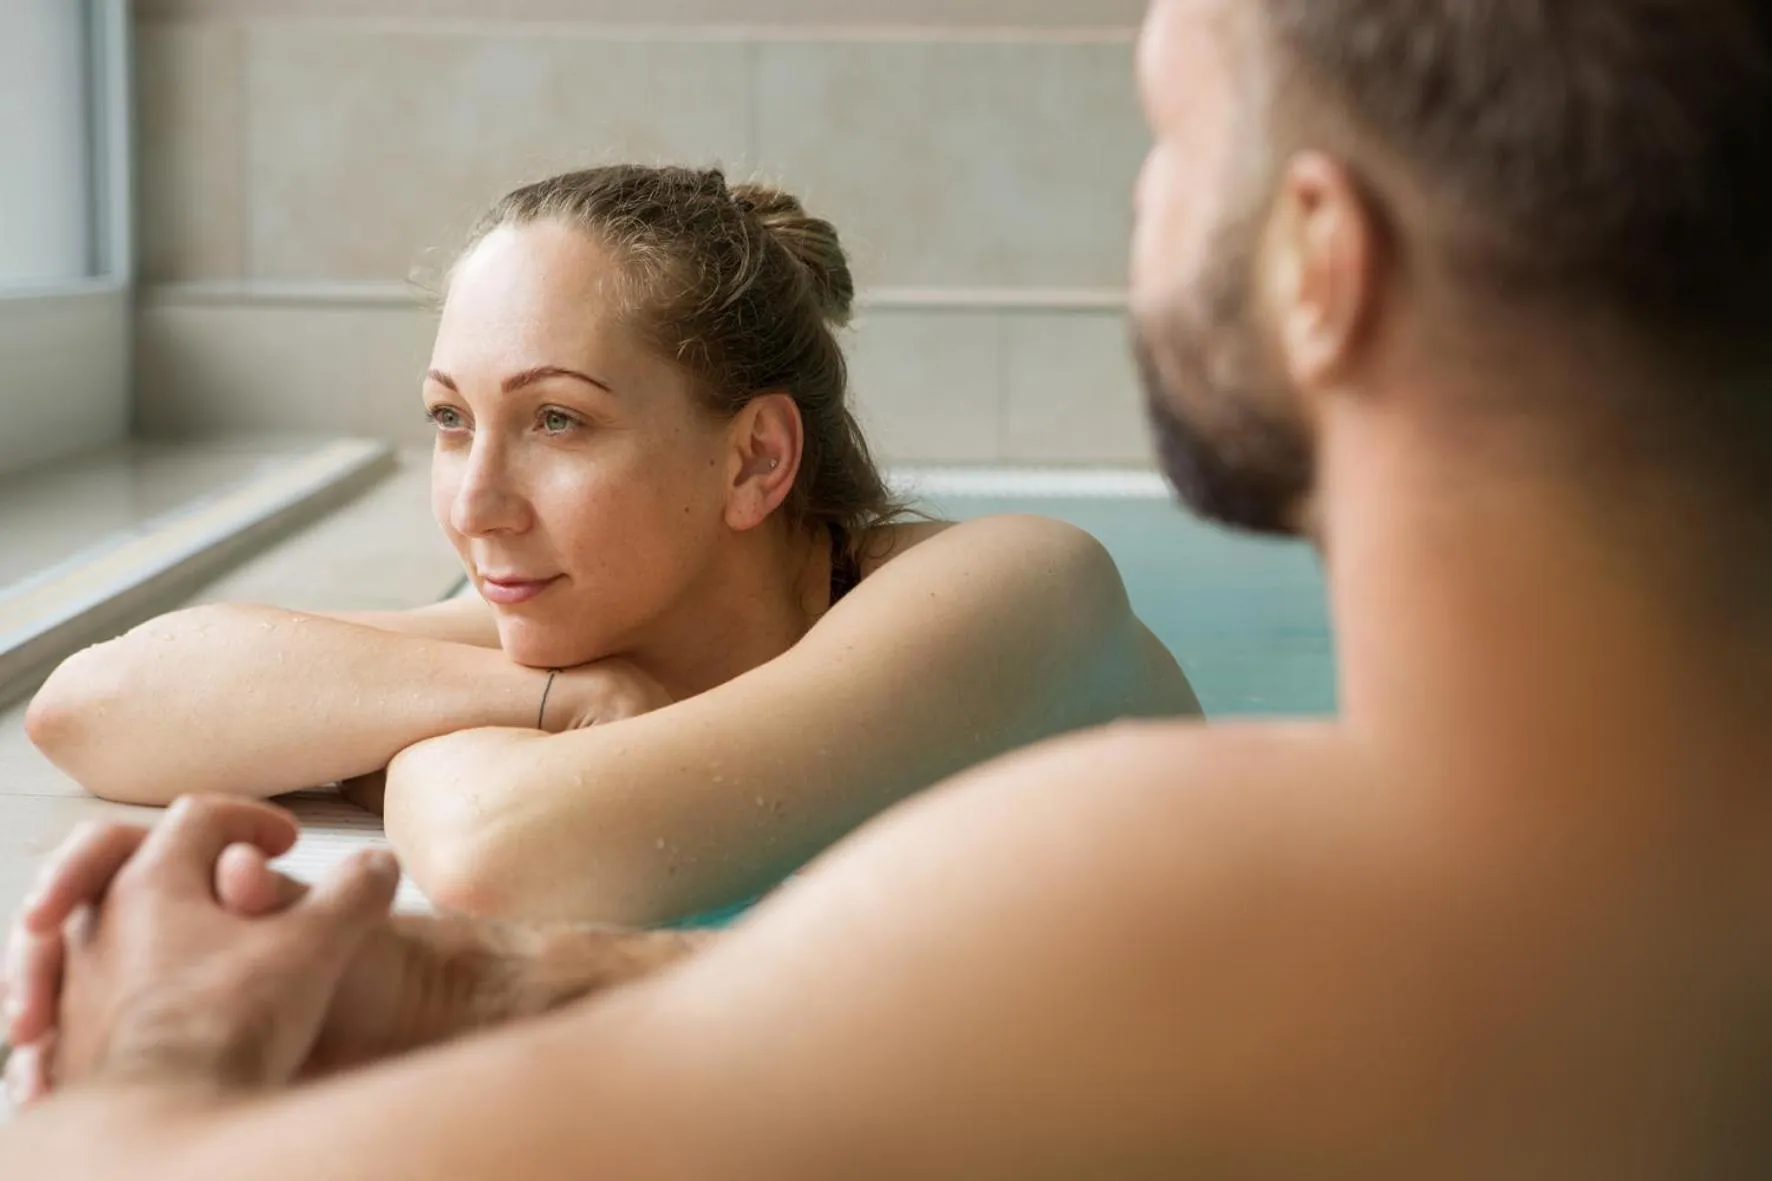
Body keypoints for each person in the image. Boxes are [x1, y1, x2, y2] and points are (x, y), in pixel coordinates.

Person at [6, 0, 1772, 1174]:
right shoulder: (1621, 866)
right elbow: (1058, 1011)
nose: (479, 492)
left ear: (1320, 258)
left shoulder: (1151, 776)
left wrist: (151, 1058)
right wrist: (503, 983)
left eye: (1161, 135)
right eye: (453, 416)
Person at [22, 165, 1197, 926]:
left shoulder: (1017, 589)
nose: (475, 503)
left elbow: (507, 850)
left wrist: (406, 748)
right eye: (449, 418)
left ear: (753, 461)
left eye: (557, 420)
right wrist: (536, 700)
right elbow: (91, 704)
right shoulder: (594, 628)